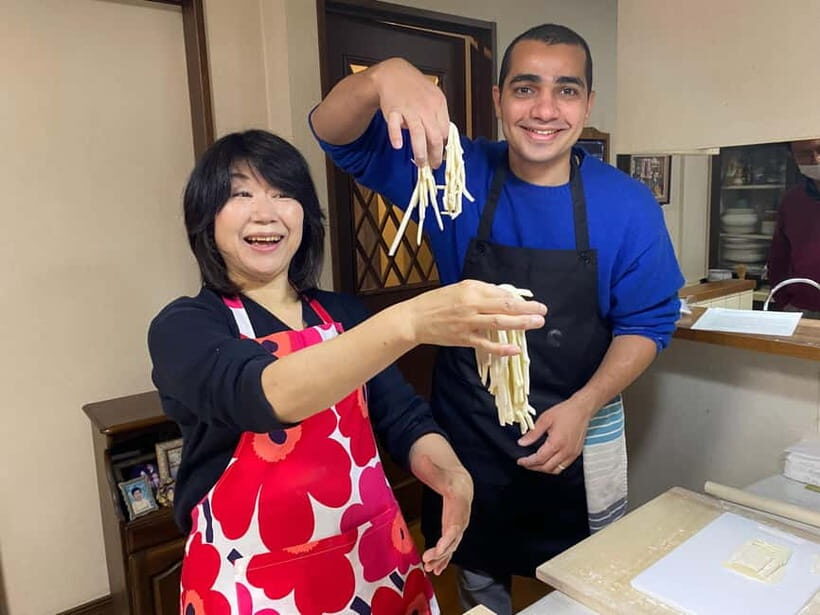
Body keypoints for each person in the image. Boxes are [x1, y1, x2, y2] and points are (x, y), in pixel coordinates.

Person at [310, 23, 684, 613]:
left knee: (581, 589)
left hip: (579, 433)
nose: (544, 109)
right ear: (496, 99)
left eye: (566, 90)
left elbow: (649, 323)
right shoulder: (455, 175)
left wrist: (584, 406)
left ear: (588, 104)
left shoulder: (626, 204)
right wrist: (385, 75)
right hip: (469, 432)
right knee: (480, 582)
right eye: (525, 87)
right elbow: (336, 135)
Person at [147, 130, 546, 614]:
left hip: (373, 559)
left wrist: (450, 474)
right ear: (205, 217)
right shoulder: (184, 327)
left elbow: (402, 418)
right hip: (251, 581)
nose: (265, 212)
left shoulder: (341, 314)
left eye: (283, 194)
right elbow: (266, 395)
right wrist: (410, 321)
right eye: (240, 194)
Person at [767, 139, 820, 317]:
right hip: (801, 308)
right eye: (805, 153)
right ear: (793, 157)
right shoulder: (792, 200)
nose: (816, 159)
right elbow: (778, 257)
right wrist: (784, 301)